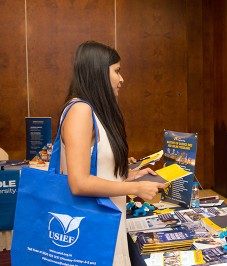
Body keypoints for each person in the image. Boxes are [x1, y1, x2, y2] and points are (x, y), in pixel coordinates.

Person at [60, 41, 165, 266]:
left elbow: (96, 170)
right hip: (91, 227)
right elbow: (78, 182)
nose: (122, 79)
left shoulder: (92, 111)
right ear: (98, 72)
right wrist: (133, 188)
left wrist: (127, 176)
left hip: (107, 221)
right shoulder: (80, 111)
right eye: (117, 71)